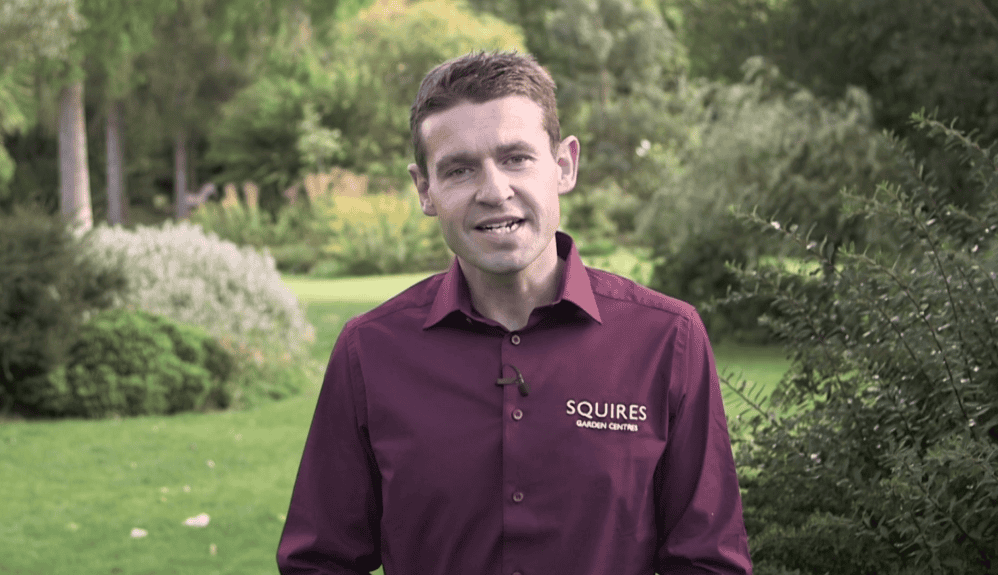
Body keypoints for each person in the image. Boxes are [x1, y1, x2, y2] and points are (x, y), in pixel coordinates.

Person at [277, 51, 753, 575]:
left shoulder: (667, 339)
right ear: (425, 189)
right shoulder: (369, 351)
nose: (494, 190)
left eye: (516, 158)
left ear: (564, 166)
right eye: (459, 169)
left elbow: (709, 563)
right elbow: (320, 563)